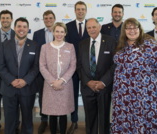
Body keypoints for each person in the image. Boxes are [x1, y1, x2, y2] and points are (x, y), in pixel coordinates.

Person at [111, 18, 157, 133]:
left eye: (134, 27)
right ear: (124, 30)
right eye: (128, 28)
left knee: (143, 118)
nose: (132, 31)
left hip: (143, 93)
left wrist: (146, 79)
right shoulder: (121, 44)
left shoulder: (150, 44)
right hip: (122, 94)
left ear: (139, 29)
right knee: (124, 119)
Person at [0, 17, 40, 134]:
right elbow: (0, 65)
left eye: (24, 27)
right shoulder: (4, 45)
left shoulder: (35, 45)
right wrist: (11, 80)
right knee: (9, 121)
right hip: (9, 88)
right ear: (14, 28)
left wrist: (25, 80)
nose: (22, 29)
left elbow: (36, 67)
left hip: (27, 89)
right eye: (19, 26)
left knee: (27, 120)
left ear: (28, 29)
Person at [77, 18, 116, 134]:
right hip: (87, 87)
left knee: (104, 117)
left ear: (99, 27)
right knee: (90, 118)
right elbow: (79, 66)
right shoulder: (82, 44)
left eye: (94, 27)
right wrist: (88, 82)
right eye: (89, 27)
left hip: (104, 86)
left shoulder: (111, 41)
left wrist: (103, 82)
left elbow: (115, 64)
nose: (91, 29)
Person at [39, 22, 76, 134]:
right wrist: (52, 82)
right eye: (57, 31)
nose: (59, 34)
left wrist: (62, 80)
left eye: (62, 31)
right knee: (52, 113)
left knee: (64, 113)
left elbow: (73, 66)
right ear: (53, 32)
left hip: (65, 85)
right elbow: (42, 66)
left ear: (65, 33)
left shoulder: (70, 47)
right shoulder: (45, 47)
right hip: (50, 86)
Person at [65, 1, 89, 134]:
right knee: (72, 96)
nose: (80, 11)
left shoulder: (92, 26)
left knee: (87, 96)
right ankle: (74, 121)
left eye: (83, 9)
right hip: (72, 68)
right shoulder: (68, 26)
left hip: (87, 68)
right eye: (78, 9)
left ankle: (89, 122)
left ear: (86, 11)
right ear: (75, 11)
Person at [32, 10, 56, 134]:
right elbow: (36, 54)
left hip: (57, 72)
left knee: (56, 96)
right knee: (42, 96)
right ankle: (43, 119)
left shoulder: (60, 32)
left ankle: (54, 120)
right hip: (42, 71)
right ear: (43, 20)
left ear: (54, 19)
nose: (48, 20)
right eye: (46, 18)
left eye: (50, 18)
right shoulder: (37, 34)